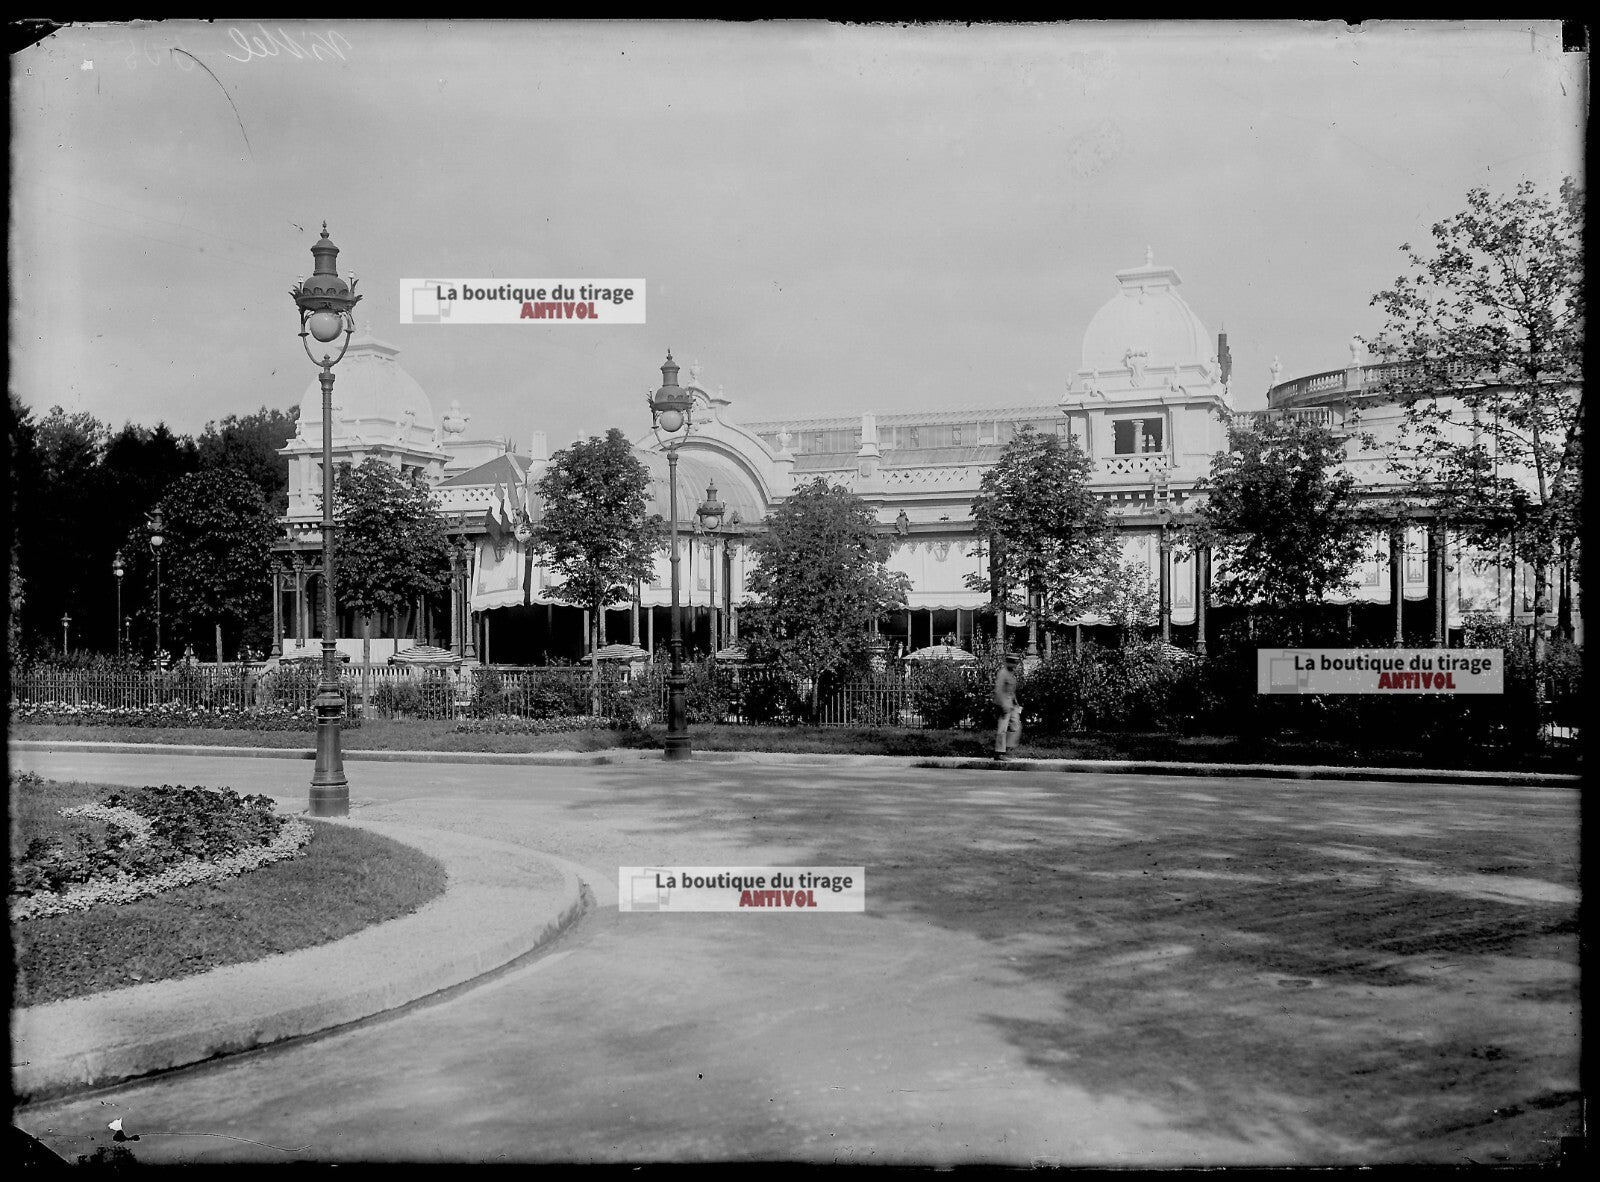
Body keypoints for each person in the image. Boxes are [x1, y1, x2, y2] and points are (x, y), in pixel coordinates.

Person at [993, 652, 1021, 760]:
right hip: (1003, 704)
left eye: (1015, 662)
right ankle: (999, 752)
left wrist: (1016, 702)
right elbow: (999, 690)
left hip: (1011, 704)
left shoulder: (1011, 674)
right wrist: (1004, 705)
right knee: (1002, 729)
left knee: (1016, 725)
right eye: (1012, 662)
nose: (1014, 664)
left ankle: (1007, 748)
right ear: (1007, 662)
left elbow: (1011, 690)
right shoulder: (1002, 673)